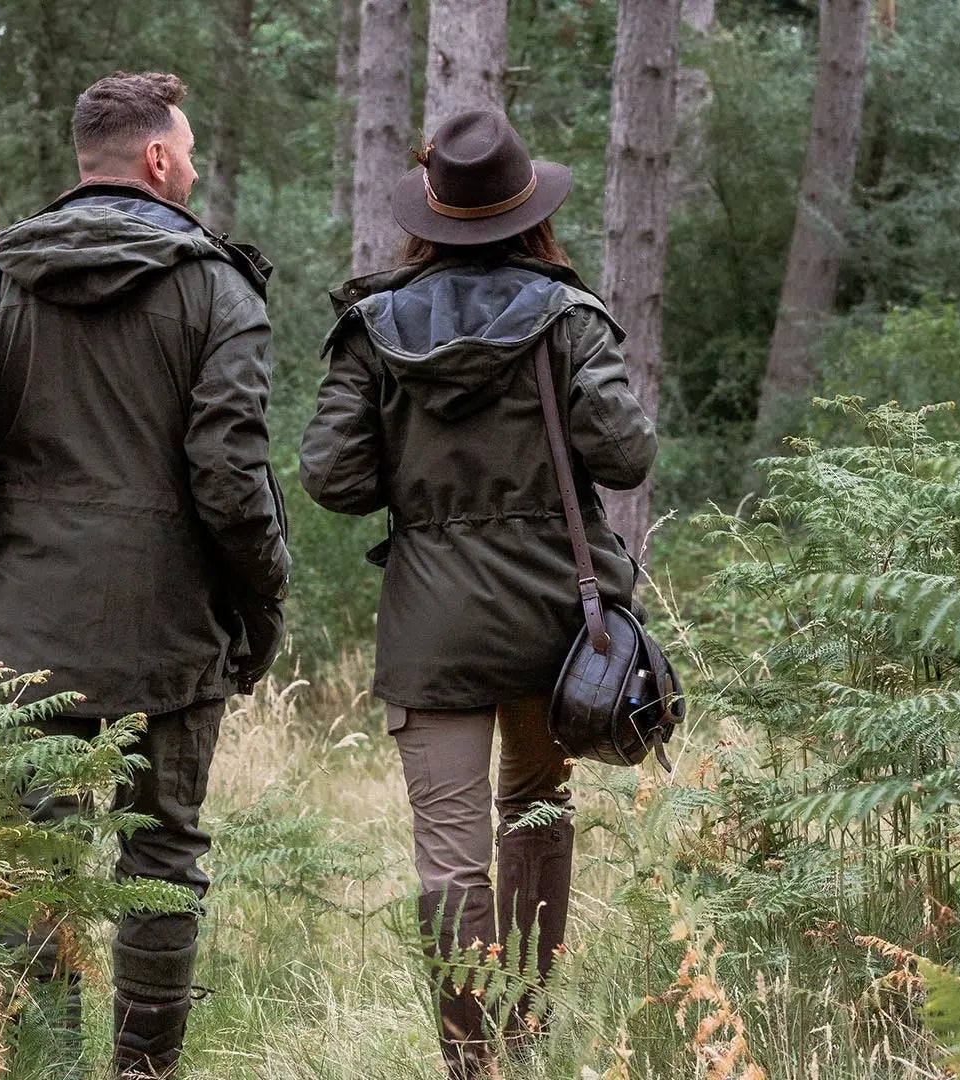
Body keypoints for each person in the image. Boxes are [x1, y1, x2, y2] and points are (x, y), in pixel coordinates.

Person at [0, 71, 288, 1079]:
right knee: (162, 860)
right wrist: (260, 608)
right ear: (156, 159)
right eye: (188, 151)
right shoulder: (218, 290)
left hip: (19, 641)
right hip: (169, 638)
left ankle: (47, 1070)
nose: (194, 167)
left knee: (34, 871)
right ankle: (144, 1073)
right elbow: (233, 484)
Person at [299, 109, 656, 1078]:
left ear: (433, 213)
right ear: (530, 213)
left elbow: (331, 478)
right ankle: (529, 1038)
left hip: (433, 626)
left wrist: (417, 476)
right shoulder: (568, 317)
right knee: (535, 812)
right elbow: (626, 453)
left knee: (450, 861)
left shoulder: (372, 327)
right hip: (555, 622)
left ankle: (472, 1065)